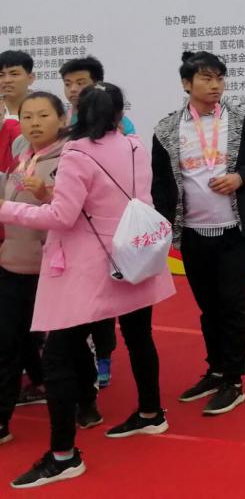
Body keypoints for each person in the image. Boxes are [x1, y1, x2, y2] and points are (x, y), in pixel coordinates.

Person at [0, 83, 175, 488]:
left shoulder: (78, 153)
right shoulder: (133, 144)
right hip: (134, 255)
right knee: (139, 337)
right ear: (119, 114)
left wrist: (7, 208)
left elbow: (62, 217)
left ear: (74, 115)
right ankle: (151, 413)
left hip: (88, 268)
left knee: (58, 356)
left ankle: (63, 455)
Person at [151, 51, 245, 416]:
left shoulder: (239, 118)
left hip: (235, 229)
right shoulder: (167, 129)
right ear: (186, 83)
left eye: (219, 78)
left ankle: (234, 380)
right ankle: (216, 369)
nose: (215, 86)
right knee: (208, 306)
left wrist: (240, 177)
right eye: (206, 78)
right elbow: (161, 184)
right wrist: (162, 228)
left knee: (233, 303)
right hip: (193, 232)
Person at [59, 55, 131, 389]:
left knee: (103, 304)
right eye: (68, 84)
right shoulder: (62, 120)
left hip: (106, 234)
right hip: (72, 234)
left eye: (81, 83)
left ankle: (102, 357)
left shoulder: (124, 131)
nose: (73, 90)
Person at [0, 93, 68, 445]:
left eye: (43, 115)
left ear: (62, 118)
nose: (35, 123)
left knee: (61, 349)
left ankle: (83, 405)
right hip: (12, 264)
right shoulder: (23, 158)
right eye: (27, 117)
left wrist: (47, 193)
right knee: (7, 343)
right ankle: (2, 418)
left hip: (51, 271)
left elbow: (72, 213)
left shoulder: (71, 159)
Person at [0, 51, 37, 176]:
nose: (7, 80)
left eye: (14, 74)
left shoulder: (45, 107)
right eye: (1, 75)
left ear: (31, 78)